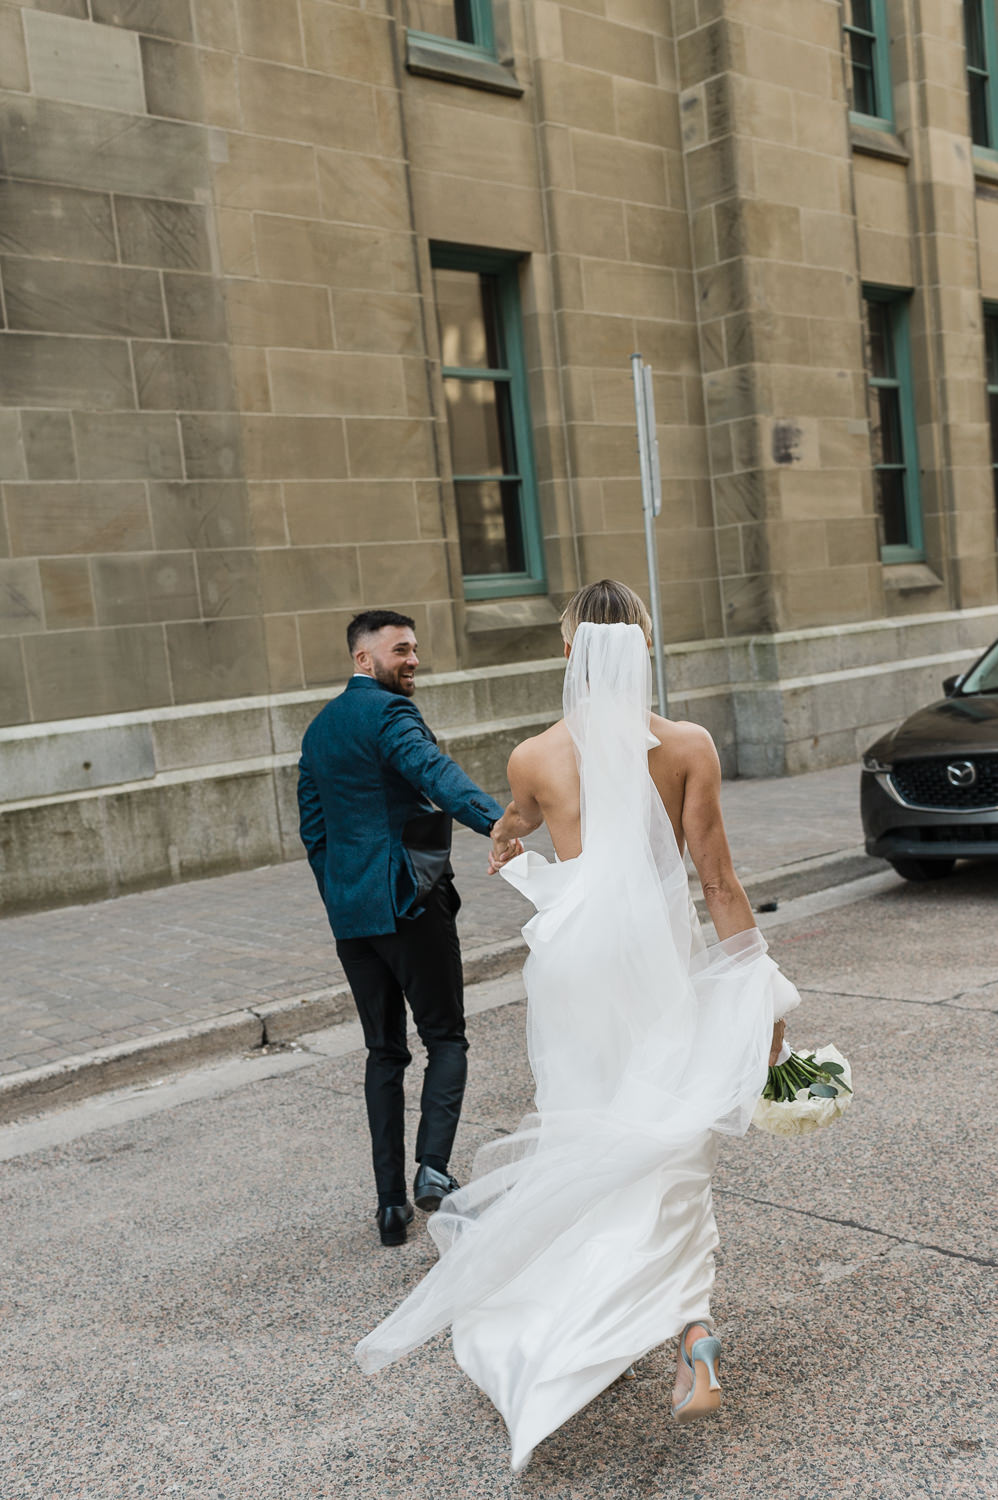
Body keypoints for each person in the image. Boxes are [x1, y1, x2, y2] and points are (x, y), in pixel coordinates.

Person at [355, 580, 800, 1470]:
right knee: (666, 1131)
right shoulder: (687, 747)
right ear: (639, 650)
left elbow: (517, 822)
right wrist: (761, 986)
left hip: (573, 971)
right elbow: (715, 878)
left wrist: (508, 837)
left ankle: (606, 1315)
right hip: (653, 964)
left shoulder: (534, 756)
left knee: (594, 1125)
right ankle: (692, 1336)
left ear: (570, 656)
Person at [297, 609, 520, 1248]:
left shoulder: (319, 730)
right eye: (400, 650)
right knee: (446, 1036)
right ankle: (433, 1169)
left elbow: (314, 831)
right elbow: (434, 774)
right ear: (363, 659)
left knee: (384, 1052)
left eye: (415, 648)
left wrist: (342, 892)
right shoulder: (390, 716)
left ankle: (389, 1208)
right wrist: (496, 824)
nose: (413, 659)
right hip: (410, 905)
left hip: (353, 918)